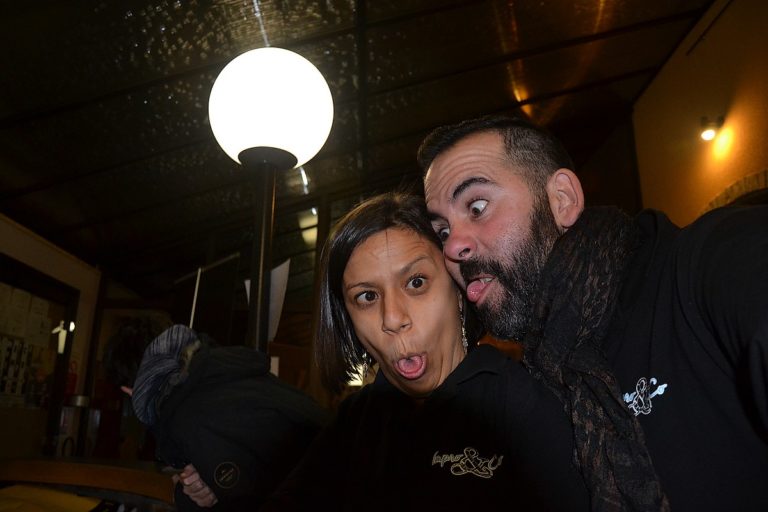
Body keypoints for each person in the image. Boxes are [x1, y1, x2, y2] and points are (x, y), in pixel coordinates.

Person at [419, 114, 768, 511]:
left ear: (563, 200)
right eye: (443, 231)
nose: (453, 248)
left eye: (477, 207)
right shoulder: (532, 384)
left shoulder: (705, 262)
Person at [262, 191, 590, 511]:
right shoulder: (355, 421)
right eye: (367, 297)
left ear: (457, 289)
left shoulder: (522, 403)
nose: (392, 318)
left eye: (416, 282)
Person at [104, 322, 329, 511]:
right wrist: (209, 478)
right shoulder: (223, 369)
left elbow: (243, 499)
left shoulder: (187, 413)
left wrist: (192, 496)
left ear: (129, 391)